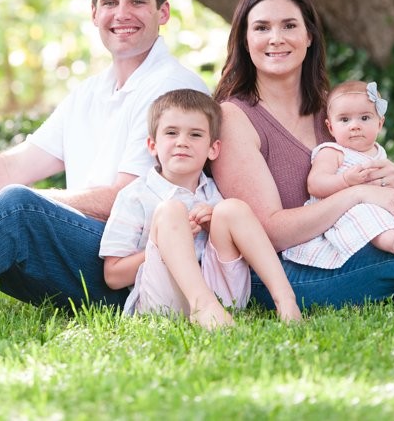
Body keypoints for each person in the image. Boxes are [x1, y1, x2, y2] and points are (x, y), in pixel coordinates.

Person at [0, 0, 209, 308]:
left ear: (162, 13)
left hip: (129, 269)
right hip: (84, 247)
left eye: (137, 1)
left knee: (18, 207)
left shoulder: (172, 89)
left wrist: (36, 202)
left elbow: (124, 198)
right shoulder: (91, 91)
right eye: (109, 2)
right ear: (94, 14)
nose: (122, 14)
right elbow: (20, 164)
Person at [210, 0, 394, 307]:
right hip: (284, 271)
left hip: (349, 239)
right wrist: (357, 193)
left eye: (289, 25)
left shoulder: (333, 110)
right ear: (245, 41)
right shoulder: (234, 118)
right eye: (261, 28)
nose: (276, 38)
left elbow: (370, 171)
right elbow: (269, 231)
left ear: (309, 36)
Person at [100, 89, 301, 329]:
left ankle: (286, 300)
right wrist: (167, 243)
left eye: (195, 135)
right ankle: (203, 307)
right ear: (153, 145)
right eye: (171, 133)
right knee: (171, 211)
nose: (182, 141)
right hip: (165, 302)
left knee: (232, 209)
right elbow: (113, 277)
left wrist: (211, 226)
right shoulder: (135, 196)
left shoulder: (214, 193)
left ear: (212, 149)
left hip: (223, 299)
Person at [282, 80, 394, 267]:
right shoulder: (332, 152)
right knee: (366, 214)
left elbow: (386, 179)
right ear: (331, 127)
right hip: (343, 211)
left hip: (382, 202)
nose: (354, 126)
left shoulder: (378, 152)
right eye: (345, 120)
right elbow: (315, 184)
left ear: (380, 124)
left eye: (364, 118)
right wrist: (345, 180)